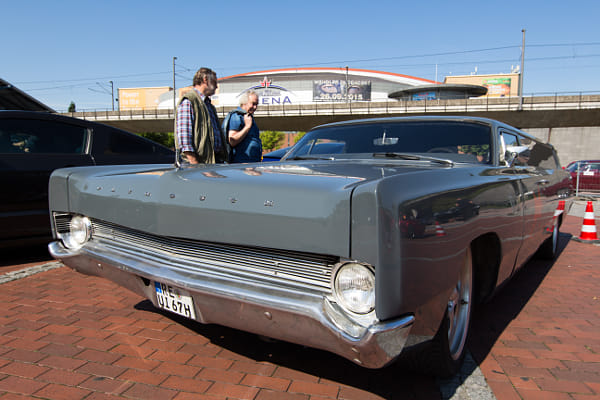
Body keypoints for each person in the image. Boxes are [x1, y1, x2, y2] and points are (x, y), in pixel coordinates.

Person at [176, 67, 228, 165]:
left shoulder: (208, 105)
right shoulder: (189, 101)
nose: (216, 86)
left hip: (211, 162)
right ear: (205, 80)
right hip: (198, 165)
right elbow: (184, 139)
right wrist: (195, 164)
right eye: (214, 82)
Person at [226, 91, 262, 163]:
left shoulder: (248, 117)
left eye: (256, 104)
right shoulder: (236, 116)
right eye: (253, 104)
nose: (255, 107)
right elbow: (232, 141)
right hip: (241, 164)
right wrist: (247, 127)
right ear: (244, 103)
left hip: (251, 163)